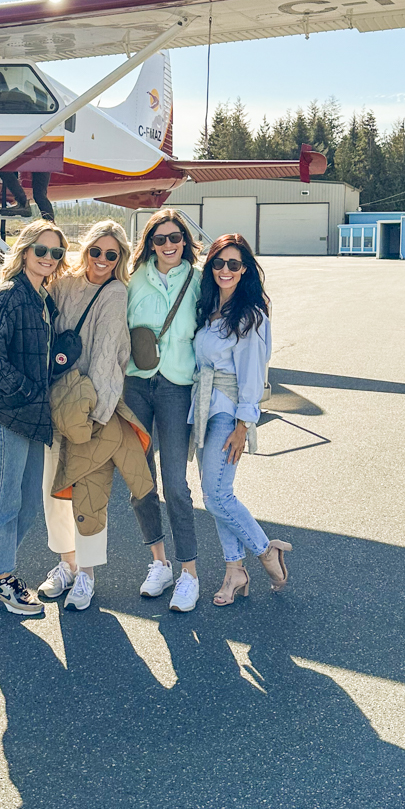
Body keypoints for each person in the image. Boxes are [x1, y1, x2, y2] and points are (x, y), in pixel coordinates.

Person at [0, 218, 66, 615]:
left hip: (32, 417)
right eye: (41, 250)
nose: (48, 258)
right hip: (6, 414)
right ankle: (1, 579)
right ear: (25, 252)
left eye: (56, 253)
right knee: (5, 498)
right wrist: (27, 390)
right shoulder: (10, 295)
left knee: (26, 504)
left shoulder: (43, 298)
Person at [190, 233, 292, 606]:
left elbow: (253, 374)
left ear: (245, 268)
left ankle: (266, 550)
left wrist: (243, 425)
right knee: (217, 495)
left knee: (216, 494)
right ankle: (235, 570)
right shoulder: (208, 308)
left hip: (228, 412)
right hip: (203, 408)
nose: (225, 270)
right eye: (219, 263)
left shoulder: (250, 316)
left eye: (234, 264)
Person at [38, 221, 133, 610]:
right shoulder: (62, 285)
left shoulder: (115, 293)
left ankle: (87, 574)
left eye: (112, 255)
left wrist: (99, 414)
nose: (102, 261)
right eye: (96, 252)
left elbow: (113, 356)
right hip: (55, 401)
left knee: (89, 494)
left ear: (120, 259)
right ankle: (66, 563)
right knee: (53, 489)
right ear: (86, 250)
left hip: (90, 408)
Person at [123, 208, 203, 612]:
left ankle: (190, 574)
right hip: (136, 384)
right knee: (141, 481)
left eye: (175, 238)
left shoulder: (200, 280)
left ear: (185, 242)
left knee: (175, 484)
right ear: (150, 243)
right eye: (160, 239)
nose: (169, 245)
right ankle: (159, 564)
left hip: (177, 386)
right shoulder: (133, 279)